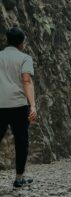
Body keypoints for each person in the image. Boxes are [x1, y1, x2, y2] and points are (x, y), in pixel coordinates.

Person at [0, 26, 37, 188]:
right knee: (21, 141)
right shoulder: (25, 58)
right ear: (21, 42)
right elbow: (26, 81)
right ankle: (19, 178)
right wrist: (33, 105)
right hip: (18, 105)